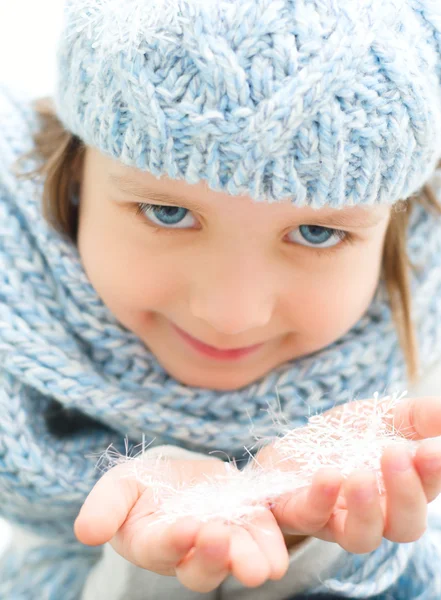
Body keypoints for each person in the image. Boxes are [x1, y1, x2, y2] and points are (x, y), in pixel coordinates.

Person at [1, 0, 441, 598]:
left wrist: (314, 549)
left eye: (317, 233)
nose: (231, 315)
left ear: (395, 225)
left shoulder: (422, 392)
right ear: (75, 176)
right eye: (168, 212)